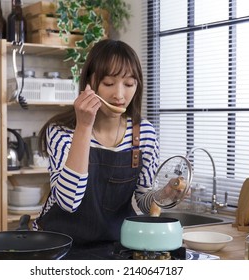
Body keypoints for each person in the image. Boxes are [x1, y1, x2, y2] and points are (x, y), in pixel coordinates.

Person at [33, 39, 183, 246]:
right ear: (89, 84)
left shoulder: (144, 133)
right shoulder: (62, 131)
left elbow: (144, 201)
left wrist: (165, 195)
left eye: (129, 84)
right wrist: (84, 127)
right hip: (57, 245)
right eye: (109, 83)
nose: (119, 95)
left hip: (113, 245)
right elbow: (68, 201)